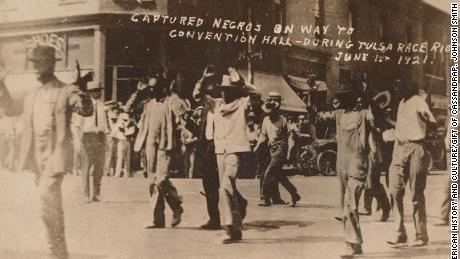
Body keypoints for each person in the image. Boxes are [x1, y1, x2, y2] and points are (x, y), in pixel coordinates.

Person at [3, 46, 93, 258]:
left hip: (56, 156)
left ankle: (56, 252)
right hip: (36, 159)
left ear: (51, 64)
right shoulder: (31, 94)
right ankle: (60, 252)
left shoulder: (66, 90)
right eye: (33, 63)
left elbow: (86, 110)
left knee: (46, 200)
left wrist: (82, 88)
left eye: (39, 63)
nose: (34, 67)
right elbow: (9, 109)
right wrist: (1, 84)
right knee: (51, 206)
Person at [194, 66, 260, 243]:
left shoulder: (242, 103)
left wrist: (241, 83)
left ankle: (230, 228)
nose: (224, 94)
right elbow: (197, 95)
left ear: (234, 91)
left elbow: (257, 95)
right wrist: (203, 78)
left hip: (235, 150)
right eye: (222, 90)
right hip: (219, 151)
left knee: (225, 186)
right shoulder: (216, 104)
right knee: (226, 189)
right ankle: (236, 229)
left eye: (228, 90)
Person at [318, 86, 375, 256]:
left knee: (351, 203)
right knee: (345, 205)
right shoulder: (339, 116)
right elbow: (320, 116)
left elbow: (377, 120)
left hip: (357, 161)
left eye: (340, 98)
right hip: (341, 162)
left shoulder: (365, 114)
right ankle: (355, 242)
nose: (336, 101)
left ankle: (351, 243)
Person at [386, 83, 437, 247]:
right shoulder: (401, 103)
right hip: (399, 148)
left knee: (416, 194)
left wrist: (426, 119)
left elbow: (433, 123)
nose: (396, 88)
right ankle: (400, 233)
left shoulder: (418, 101)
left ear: (409, 87)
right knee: (395, 190)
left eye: (400, 85)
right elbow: (402, 127)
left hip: (416, 147)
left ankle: (421, 235)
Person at [138, 77, 184, 229]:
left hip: (165, 145)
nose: (151, 90)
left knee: (161, 180)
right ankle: (158, 219)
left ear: (162, 88)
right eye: (149, 88)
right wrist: (136, 93)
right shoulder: (149, 104)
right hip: (150, 145)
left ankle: (176, 205)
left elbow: (182, 110)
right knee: (153, 182)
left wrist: (172, 93)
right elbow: (128, 109)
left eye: (154, 87)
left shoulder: (170, 101)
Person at [255, 92, 301, 207]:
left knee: (269, 172)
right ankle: (294, 193)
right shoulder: (265, 120)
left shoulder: (283, 120)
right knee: (279, 175)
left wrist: (289, 151)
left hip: (280, 149)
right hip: (271, 149)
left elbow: (289, 136)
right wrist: (257, 146)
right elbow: (263, 136)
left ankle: (264, 198)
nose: (270, 114)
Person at [193, 67, 221, 230]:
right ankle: (214, 219)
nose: (208, 96)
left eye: (212, 93)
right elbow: (196, 94)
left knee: (222, 183)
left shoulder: (222, 107)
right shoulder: (205, 109)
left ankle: (238, 203)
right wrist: (203, 79)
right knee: (209, 183)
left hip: (219, 147)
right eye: (207, 93)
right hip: (206, 148)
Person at [78, 81, 109, 202]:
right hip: (88, 137)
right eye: (97, 90)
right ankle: (86, 194)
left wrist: (106, 137)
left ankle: (96, 194)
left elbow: (104, 123)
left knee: (99, 167)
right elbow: (77, 124)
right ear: (91, 92)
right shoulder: (84, 105)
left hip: (100, 137)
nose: (100, 92)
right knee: (86, 166)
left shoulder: (101, 105)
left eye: (99, 90)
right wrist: (78, 139)